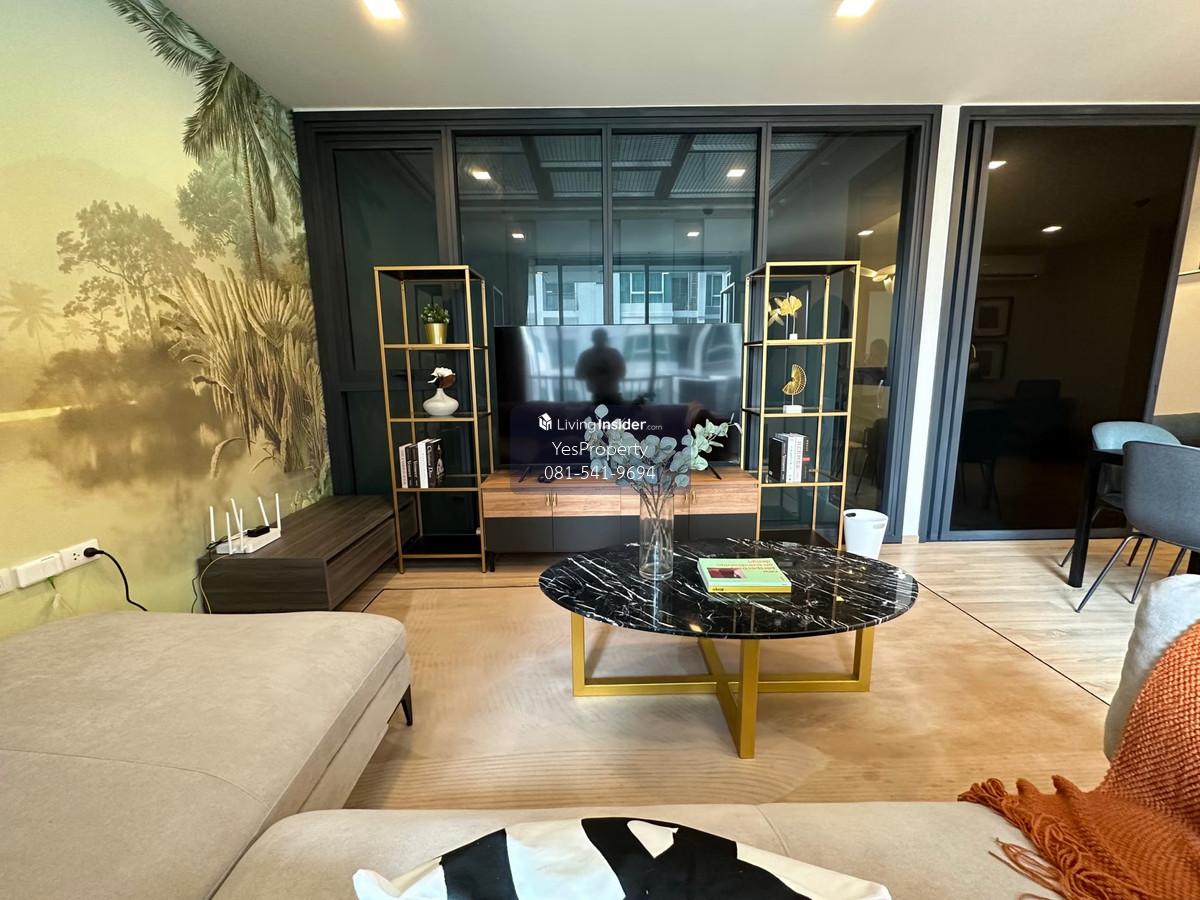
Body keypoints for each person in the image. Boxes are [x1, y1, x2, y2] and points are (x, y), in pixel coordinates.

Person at [574, 328, 626, 405]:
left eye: (600, 338)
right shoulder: (614, 354)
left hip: (601, 395)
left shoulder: (586, 355)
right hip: (610, 394)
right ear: (606, 339)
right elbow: (622, 373)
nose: (600, 341)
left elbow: (578, 375)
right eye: (598, 338)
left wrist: (592, 373)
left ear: (592, 339)